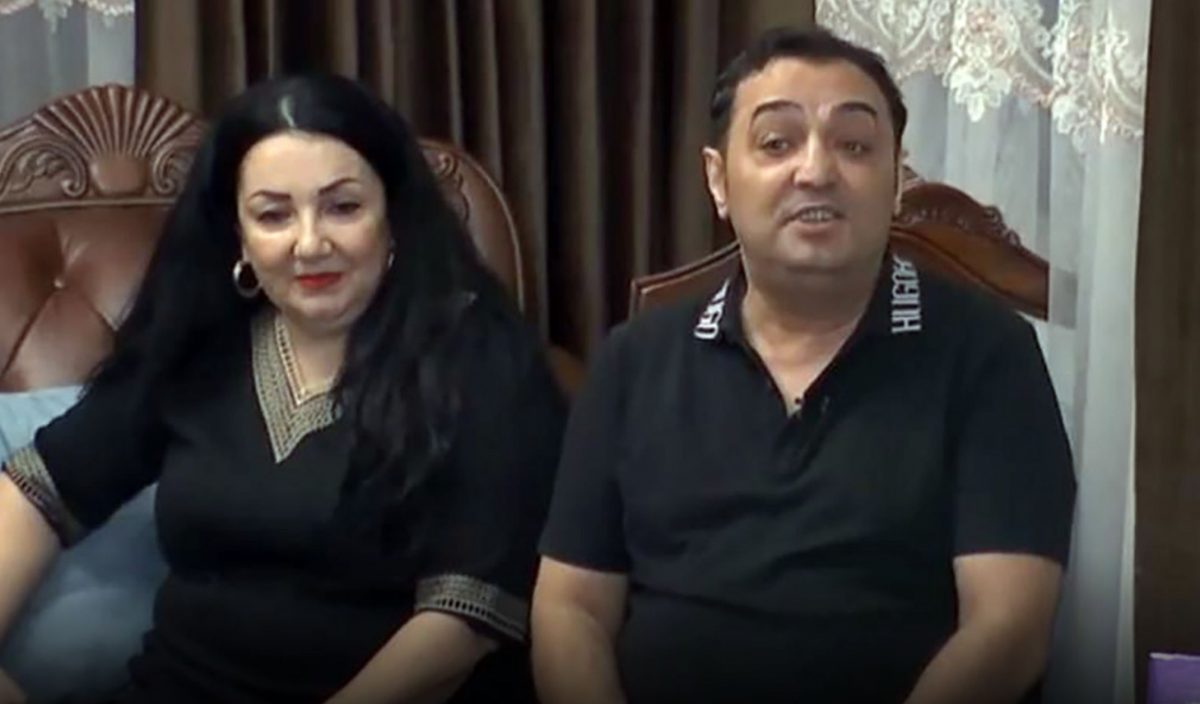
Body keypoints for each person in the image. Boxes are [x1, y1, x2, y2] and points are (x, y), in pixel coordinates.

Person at [532, 27, 1076, 704]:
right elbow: (569, 609)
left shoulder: (989, 353)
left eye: (855, 146)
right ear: (718, 180)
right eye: (776, 143)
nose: (816, 171)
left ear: (897, 181)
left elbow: (1009, 628)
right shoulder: (633, 361)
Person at [0, 74, 565, 704]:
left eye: (343, 207)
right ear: (238, 234)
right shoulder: (200, 344)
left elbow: (465, 621)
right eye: (273, 215)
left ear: (393, 214)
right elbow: (37, 489)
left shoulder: (483, 356)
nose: (310, 242)